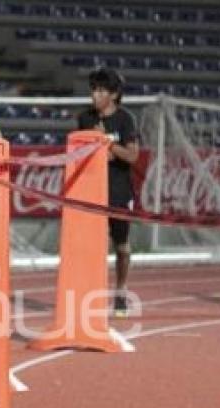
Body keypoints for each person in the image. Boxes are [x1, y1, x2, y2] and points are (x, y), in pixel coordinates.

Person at [76, 67, 139, 317]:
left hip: (119, 190)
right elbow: (80, 151)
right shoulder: (84, 118)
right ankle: (90, 294)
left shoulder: (125, 119)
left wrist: (107, 143)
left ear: (113, 95)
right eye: (93, 89)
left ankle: (121, 291)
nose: (95, 95)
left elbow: (132, 156)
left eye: (101, 90)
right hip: (92, 189)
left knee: (121, 245)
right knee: (92, 245)